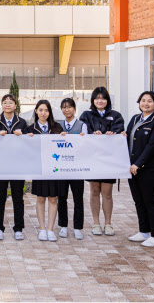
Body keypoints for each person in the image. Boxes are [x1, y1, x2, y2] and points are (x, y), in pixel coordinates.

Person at [79, 86, 124, 236]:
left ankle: (108, 224)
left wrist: (113, 133)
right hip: (92, 159)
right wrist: (93, 134)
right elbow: (83, 134)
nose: (100, 100)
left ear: (107, 100)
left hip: (108, 160)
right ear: (93, 100)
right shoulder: (86, 115)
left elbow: (120, 133)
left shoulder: (116, 115)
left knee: (107, 192)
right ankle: (96, 223)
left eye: (103, 98)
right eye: (97, 98)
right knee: (94, 191)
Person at [126, 91, 154, 248]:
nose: (146, 103)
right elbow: (127, 138)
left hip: (150, 168)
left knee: (151, 201)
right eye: (143, 100)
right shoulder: (135, 119)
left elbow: (152, 146)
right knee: (139, 201)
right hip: (133, 168)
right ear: (139, 103)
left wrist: (138, 163)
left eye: (149, 101)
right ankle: (144, 231)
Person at [0, 93, 27, 241]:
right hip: (1, 165)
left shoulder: (22, 122)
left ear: (15, 106)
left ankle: (18, 228)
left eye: (10, 102)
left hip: (18, 166)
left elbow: (28, 143)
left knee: (18, 198)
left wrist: (22, 135)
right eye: (5, 102)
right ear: (1, 105)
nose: (7, 105)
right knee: (0, 198)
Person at [27, 100, 64, 241]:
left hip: (54, 168)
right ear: (36, 111)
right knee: (41, 198)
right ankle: (42, 228)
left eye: (46, 110)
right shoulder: (30, 129)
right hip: (40, 167)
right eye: (41, 110)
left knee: (53, 198)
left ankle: (50, 229)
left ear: (50, 112)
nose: (43, 113)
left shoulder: (57, 128)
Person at [56, 98, 87, 241]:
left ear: (74, 108)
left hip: (76, 168)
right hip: (62, 168)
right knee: (62, 197)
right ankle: (63, 225)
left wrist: (81, 139)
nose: (66, 110)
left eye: (69, 107)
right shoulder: (58, 125)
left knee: (78, 198)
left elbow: (86, 145)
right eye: (64, 107)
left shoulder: (82, 125)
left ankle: (77, 227)